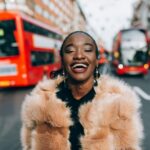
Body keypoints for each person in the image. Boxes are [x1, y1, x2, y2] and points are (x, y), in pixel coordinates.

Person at [20, 31, 143, 150]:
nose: (79, 56)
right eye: (70, 51)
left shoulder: (119, 104)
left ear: (96, 60)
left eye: (88, 50)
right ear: (62, 60)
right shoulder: (39, 104)